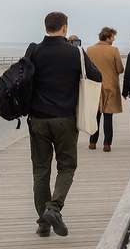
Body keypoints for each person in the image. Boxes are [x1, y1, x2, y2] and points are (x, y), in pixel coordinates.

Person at [29, 12, 102, 238]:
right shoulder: (75, 53)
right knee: (67, 166)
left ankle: (43, 224)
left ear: (46, 27)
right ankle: (54, 208)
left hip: (38, 120)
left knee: (41, 171)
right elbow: (97, 77)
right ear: (64, 28)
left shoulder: (34, 51)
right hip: (65, 120)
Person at [86, 27, 124, 153]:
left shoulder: (90, 50)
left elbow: (86, 69)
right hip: (109, 86)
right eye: (113, 37)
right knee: (108, 116)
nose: (113, 40)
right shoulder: (114, 50)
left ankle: (92, 141)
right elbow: (120, 69)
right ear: (107, 38)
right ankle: (107, 144)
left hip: (94, 86)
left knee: (95, 116)